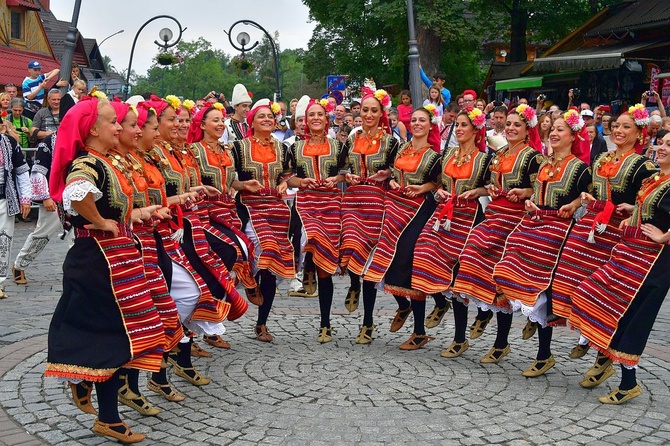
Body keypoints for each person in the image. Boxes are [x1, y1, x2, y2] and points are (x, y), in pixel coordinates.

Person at [45, 93, 165, 443]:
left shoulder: (107, 160)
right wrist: (97, 220)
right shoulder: (89, 162)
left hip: (117, 257)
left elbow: (115, 206)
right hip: (100, 260)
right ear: (93, 129)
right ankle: (106, 414)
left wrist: (127, 217)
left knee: (121, 335)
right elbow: (76, 190)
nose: (118, 126)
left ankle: (94, 395)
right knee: (113, 336)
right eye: (112, 122)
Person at [550, 107, 656, 386]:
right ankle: (588, 335)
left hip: (619, 234)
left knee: (604, 294)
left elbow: (647, 202)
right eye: (616, 126)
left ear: (639, 133)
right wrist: (585, 197)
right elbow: (595, 192)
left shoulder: (644, 166)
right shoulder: (600, 160)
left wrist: (632, 207)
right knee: (569, 277)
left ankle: (602, 355)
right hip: (594, 228)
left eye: (626, 127)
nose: (619, 131)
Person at [569, 130, 670, 404]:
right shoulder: (654, 179)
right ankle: (603, 359)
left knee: (633, 318)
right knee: (594, 295)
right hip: (631, 252)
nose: (661, 148)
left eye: (668, 145)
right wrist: (631, 216)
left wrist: (663, 236)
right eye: (661, 143)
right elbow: (647, 210)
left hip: (655, 262)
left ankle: (628, 384)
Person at [492, 111, 590, 377]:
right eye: (553, 130)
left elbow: (591, 194)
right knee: (505, 268)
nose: (555, 134)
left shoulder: (579, 167)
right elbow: (536, 192)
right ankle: (532, 340)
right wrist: (530, 200)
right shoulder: (545, 164)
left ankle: (544, 354)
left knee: (543, 292)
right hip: (535, 225)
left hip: (558, 232)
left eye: (561, 130)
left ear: (573, 136)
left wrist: (574, 204)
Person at [451, 104, 542, 364]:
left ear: (527, 130)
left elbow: (542, 190)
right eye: (509, 124)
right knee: (468, 259)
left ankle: (501, 342)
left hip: (515, 222)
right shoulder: (498, 154)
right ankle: (481, 316)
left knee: (502, 280)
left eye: (517, 125)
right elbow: (488, 187)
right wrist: (479, 191)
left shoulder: (533, 157)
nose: (511, 128)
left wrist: (525, 193)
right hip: (494, 216)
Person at [409, 106, 491, 358]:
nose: (460, 129)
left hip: (469, 217)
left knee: (458, 274)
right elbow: (438, 183)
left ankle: (459, 337)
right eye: (458, 125)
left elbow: (494, 187)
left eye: (465, 125)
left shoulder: (485, 159)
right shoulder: (447, 154)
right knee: (422, 254)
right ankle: (437, 306)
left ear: (476, 130)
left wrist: (478, 191)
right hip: (445, 214)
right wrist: (439, 192)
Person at [364, 106, 441, 350]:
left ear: (430, 126)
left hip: (419, 210)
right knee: (383, 257)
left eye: (422, 121)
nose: (417, 124)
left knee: (408, 260)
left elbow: (439, 182)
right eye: (414, 120)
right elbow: (391, 172)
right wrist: (393, 180)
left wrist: (422, 188)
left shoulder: (435, 156)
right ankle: (405, 305)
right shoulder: (400, 148)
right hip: (394, 207)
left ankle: (419, 330)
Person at [230, 98, 296, 342]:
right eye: (261, 116)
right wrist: (243, 184)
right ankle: (248, 278)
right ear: (251, 121)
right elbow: (229, 179)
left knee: (270, 266)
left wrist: (282, 183)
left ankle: (262, 323)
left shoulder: (282, 148)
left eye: (270, 116)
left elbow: (287, 177)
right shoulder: (238, 147)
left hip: (277, 209)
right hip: (250, 207)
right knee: (265, 250)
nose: (267, 120)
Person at [339, 86, 399, 342]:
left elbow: (401, 171)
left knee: (368, 263)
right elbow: (340, 167)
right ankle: (353, 285)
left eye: (374, 110)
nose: (368, 114)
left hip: (377, 200)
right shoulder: (352, 138)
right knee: (351, 242)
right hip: (353, 199)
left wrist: (389, 174)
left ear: (381, 112)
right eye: (365, 110)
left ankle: (368, 323)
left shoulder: (391, 141)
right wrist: (346, 175)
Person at [286, 98, 343, 342]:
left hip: (331, 204)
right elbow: (288, 178)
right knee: (311, 239)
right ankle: (307, 264)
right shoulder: (296, 148)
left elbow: (345, 172)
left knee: (326, 266)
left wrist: (335, 179)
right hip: (307, 203)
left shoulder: (337, 147)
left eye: (320, 114)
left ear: (327, 118)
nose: (316, 118)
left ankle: (325, 323)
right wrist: (302, 182)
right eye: (311, 116)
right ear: (305, 121)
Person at [11, 132, 63, 285]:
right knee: (42, 234)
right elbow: (38, 170)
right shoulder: (48, 142)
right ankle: (20, 264)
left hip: (76, 196)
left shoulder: (83, 139)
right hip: (53, 196)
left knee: (78, 237)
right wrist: (45, 197)